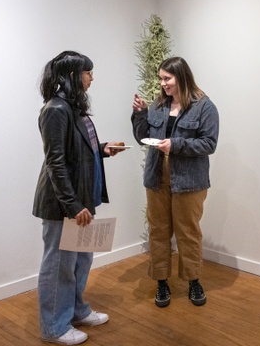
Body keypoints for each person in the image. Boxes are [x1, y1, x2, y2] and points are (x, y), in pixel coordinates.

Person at [33, 51, 126, 345]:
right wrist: (72, 207)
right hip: (64, 204)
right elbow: (55, 163)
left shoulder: (73, 108)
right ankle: (55, 328)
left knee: (80, 261)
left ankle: (75, 310)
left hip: (82, 200)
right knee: (59, 265)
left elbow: (78, 149)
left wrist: (102, 149)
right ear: (72, 74)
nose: (92, 77)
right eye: (88, 72)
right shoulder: (56, 110)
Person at [131, 56, 219, 308]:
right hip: (157, 178)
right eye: (161, 79)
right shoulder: (158, 105)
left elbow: (209, 144)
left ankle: (193, 281)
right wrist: (139, 115)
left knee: (188, 233)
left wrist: (176, 144)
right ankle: (161, 282)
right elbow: (143, 138)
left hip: (190, 181)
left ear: (181, 77)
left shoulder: (205, 107)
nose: (163, 84)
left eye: (167, 78)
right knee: (158, 231)